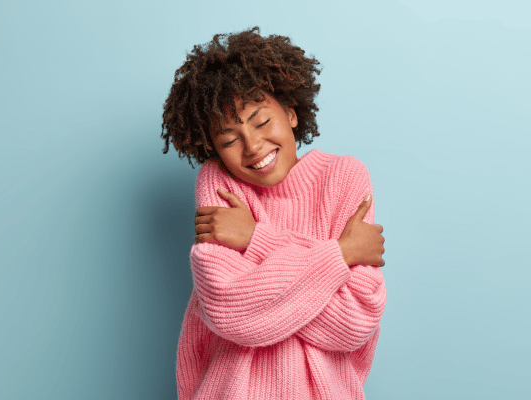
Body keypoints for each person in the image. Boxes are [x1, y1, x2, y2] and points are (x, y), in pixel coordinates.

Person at [161, 27, 386, 400]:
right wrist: (340, 254)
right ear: (213, 148)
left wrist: (255, 239)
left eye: (262, 122)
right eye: (229, 140)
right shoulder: (219, 182)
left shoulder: (345, 177)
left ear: (292, 113)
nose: (252, 146)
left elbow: (354, 320)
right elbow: (228, 308)